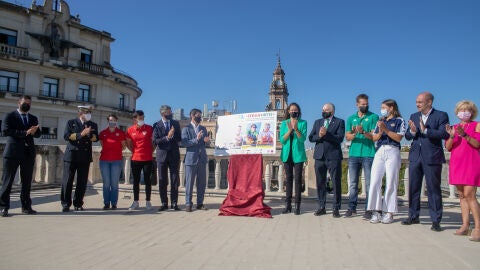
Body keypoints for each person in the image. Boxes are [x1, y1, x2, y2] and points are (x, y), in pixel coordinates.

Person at [402, 92, 449, 232]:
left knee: (433, 189)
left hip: (432, 157)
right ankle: (413, 216)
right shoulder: (413, 116)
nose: (417, 104)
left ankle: (436, 220)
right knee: (413, 188)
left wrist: (426, 130)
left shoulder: (441, 115)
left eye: (420, 102)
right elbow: (408, 136)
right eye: (416, 101)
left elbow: (445, 134)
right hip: (415, 156)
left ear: (429, 102)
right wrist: (413, 131)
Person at [445, 100, 480, 241]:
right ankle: (465, 225)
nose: (463, 112)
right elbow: (448, 147)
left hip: (471, 163)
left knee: (470, 194)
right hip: (457, 163)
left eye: (467, 110)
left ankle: (478, 227)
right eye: (461, 110)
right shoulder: (455, 127)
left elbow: (477, 143)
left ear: (472, 112)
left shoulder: (477, 125)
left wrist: (465, 135)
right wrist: (452, 135)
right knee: (461, 195)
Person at [0, 95, 40, 217]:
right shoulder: (10, 116)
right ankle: (3, 207)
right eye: (25, 103)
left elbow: (38, 134)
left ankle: (26, 206)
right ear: (19, 103)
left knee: (27, 182)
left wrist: (35, 131)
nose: (26, 105)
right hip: (12, 153)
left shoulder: (33, 118)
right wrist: (25, 133)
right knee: (8, 181)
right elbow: (6, 131)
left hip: (28, 154)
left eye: (29, 103)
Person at [367, 99, 406, 224]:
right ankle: (376, 210)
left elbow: (399, 138)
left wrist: (386, 130)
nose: (382, 109)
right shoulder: (381, 121)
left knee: (391, 181)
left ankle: (389, 212)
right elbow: (375, 137)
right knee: (374, 180)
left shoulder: (400, 120)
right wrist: (364, 133)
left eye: (384, 107)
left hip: (393, 150)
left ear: (391, 107)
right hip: (380, 150)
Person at [344, 94, 379, 219]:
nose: (365, 106)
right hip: (354, 154)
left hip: (369, 154)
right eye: (363, 104)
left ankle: (368, 209)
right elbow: (347, 137)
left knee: (369, 183)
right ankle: (351, 208)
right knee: (353, 183)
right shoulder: (351, 118)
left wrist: (363, 132)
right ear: (357, 104)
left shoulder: (374, 117)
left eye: (366, 104)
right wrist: (354, 132)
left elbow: (375, 137)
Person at [309, 103, 345, 218]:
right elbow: (311, 137)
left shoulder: (339, 122)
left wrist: (327, 134)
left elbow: (339, 138)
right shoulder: (317, 122)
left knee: (335, 182)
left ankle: (336, 208)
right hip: (319, 157)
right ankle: (321, 206)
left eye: (326, 110)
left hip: (333, 156)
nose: (324, 111)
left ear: (332, 111)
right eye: (323, 109)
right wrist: (319, 136)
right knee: (320, 182)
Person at [61, 105, 98, 212]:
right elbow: (67, 136)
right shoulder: (71, 122)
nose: (89, 114)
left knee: (82, 182)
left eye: (90, 112)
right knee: (67, 181)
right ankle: (65, 204)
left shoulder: (93, 124)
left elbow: (96, 138)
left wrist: (90, 134)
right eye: (87, 112)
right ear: (80, 113)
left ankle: (78, 203)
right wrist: (81, 134)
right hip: (71, 155)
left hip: (85, 156)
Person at [279, 103, 307, 215]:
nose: (293, 112)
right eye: (291, 110)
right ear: (288, 111)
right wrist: (290, 130)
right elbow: (282, 140)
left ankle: (297, 206)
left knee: (298, 180)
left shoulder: (303, 123)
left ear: (298, 112)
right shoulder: (284, 123)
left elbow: (302, 139)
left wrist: (296, 129)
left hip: (298, 155)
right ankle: (288, 205)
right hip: (287, 155)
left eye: (295, 110)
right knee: (288, 180)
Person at [153, 105, 181, 211]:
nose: (171, 114)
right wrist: (167, 137)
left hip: (174, 155)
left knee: (174, 180)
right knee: (162, 180)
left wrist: (173, 136)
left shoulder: (176, 123)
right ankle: (164, 203)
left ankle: (174, 203)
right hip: (162, 156)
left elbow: (179, 138)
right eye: (169, 112)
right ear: (163, 113)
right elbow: (155, 141)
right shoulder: (156, 125)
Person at [181, 109, 209, 212]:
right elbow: (185, 143)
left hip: (201, 159)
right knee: (189, 183)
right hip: (191, 159)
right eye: (198, 115)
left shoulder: (203, 128)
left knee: (201, 183)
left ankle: (200, 203)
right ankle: (188, 204)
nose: (200, 117)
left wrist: (206, 141)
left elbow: (205, 142)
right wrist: (196, 139)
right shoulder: (186, 129)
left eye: (200, 116)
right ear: (192, 116)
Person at [126, 110, 154, 211]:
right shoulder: (130, 130)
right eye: (140, 118)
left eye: (143, 118)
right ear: (134, 119)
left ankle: (148, 201)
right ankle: (135, 201)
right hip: (135, 159)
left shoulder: (149, 128)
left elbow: (153, 143)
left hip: (147, 159)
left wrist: (150, 152)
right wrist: (134, 151)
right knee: (136, 181)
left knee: (148, 181)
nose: (142, 120)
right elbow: (128, 144)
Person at [99, 114, 126, 210]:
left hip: (116, 161)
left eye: (114, 120)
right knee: (106, 183)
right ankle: (106, 203)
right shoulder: (103, 133)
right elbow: (102, 144)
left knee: (114, 183)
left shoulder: (120, 133)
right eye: (111, 120)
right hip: (104, 161)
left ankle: (114, 203)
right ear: (108, 121)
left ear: (116, 121)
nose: (112, 122)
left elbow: (124, 146)